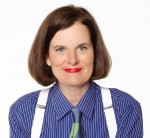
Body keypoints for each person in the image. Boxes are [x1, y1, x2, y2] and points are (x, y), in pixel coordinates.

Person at [9, 5, 143, 138]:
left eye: (82, 48)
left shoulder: (125, 109)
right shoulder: (23, 111)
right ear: (47, 57)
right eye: (60, 49)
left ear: (95, 52)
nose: (72, 60)